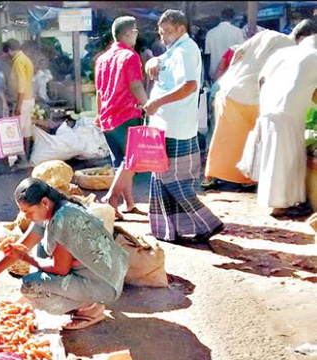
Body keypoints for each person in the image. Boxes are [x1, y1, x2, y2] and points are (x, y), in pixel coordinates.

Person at [0, 178, 128, 331]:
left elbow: (59, 269)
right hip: (98, 272)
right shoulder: (50, 209)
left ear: (44, 202)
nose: (27, 217)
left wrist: (25, 257)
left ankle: (90, 307)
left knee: (29, 285)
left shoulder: (63, 219)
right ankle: (79, 299)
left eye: (29, 212)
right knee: (41, 247)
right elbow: (22, 246)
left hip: (103, 283)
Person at [144, 10, 224, 244]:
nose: (164, 36)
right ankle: (171, 230)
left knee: (173, 180)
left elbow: (189, 85)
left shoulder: (185, 50)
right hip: (168, 125)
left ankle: (208, 222)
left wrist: (157, 101)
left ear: (181, 29)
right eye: (161, 33)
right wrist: (153, 61)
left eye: (168, 31)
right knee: (162, 178)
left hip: (175, 127)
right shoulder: (177, 50)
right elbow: (165, 65)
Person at [204, 30, 295, 188]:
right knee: (251, 138)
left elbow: (238, 52)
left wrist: (232, 73)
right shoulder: (292, 47)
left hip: (227, 89)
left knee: (221, 137)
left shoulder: (265, 34)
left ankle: (209, 177)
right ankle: (248, 179)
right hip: (252, 95)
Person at [249, 34, 317, 217]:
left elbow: (261, 80)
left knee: (277, 157)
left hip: (269, 107)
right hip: (290, 111)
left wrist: (264, 106)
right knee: (288, 159)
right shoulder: (314, 57)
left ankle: (290, 201)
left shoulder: (283, 52)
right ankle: (281, 204)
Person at [95, 16, 149, 218]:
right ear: (128, 33)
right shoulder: (130, 56)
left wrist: (99, 114)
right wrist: (148, 105)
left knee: (121, 162)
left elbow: (99, 91)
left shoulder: (101, 59)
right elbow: (135, 85)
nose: (136, 35)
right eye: (135, 32)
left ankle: (129, 203)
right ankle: (111, 197)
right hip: (126, 114)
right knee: (132, 160)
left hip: (107, 116)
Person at [6, 39, 34, 160]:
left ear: (9, 50)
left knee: (17, 130)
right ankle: (26, 157)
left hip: (23, 100)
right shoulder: (26, 59)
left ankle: (22, 160)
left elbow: (21, 85)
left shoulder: (18, 61)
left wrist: (18, 105)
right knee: (26, 129)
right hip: (29, 99)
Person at [204, 8, 245, 83]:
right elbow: (242, 52)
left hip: (214, 74)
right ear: (232, 18)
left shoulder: (210, 33)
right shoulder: (238, 32)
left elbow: (207, 56)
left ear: (221, 17)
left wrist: (206, 77)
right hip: (232, 72)